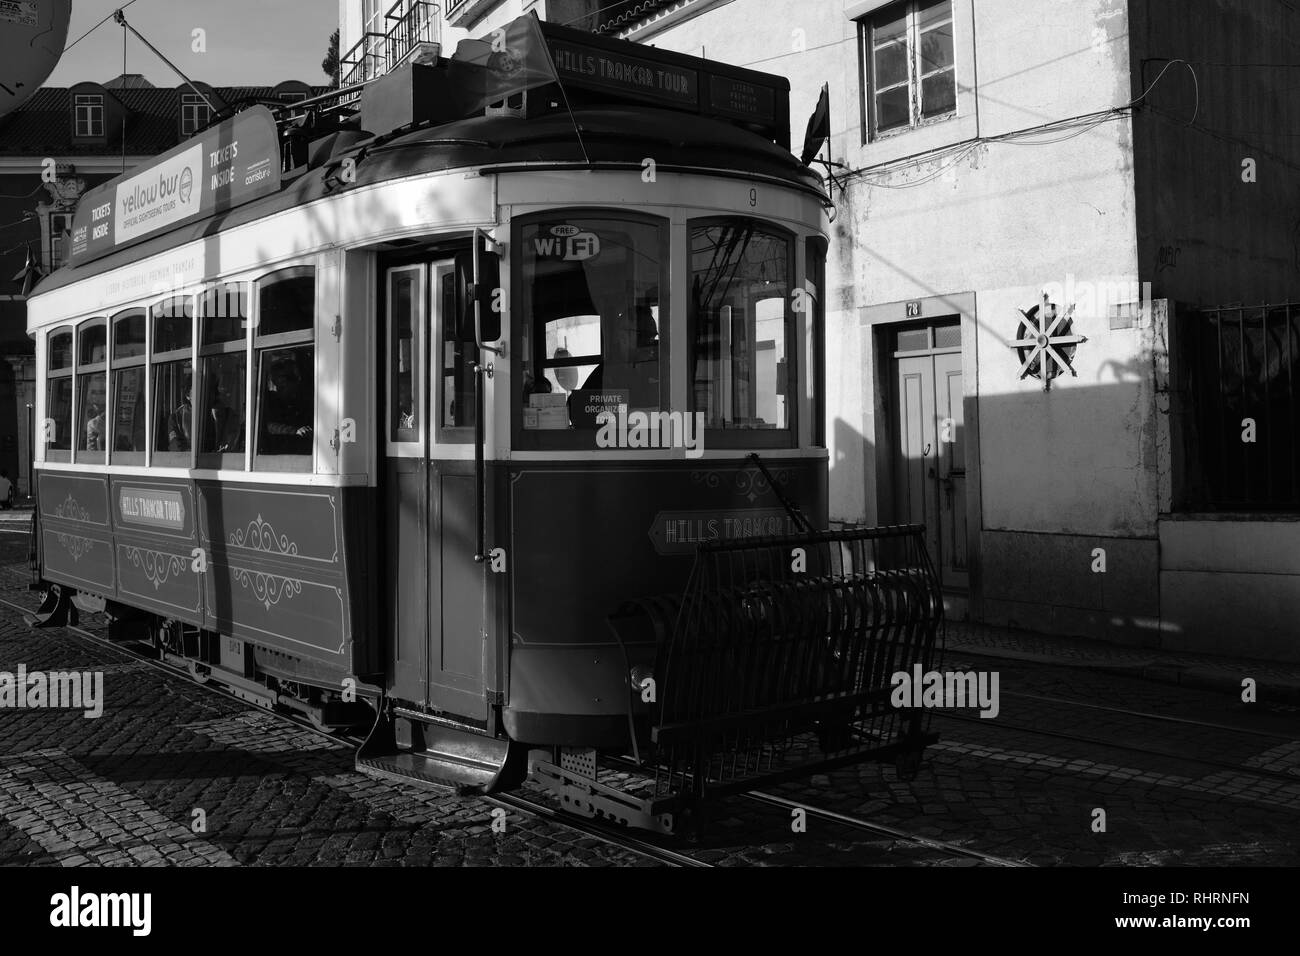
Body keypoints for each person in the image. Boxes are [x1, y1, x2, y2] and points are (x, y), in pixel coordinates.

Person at [261, 356, 312, 455]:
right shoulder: (270, 400)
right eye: (276, 383)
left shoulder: (305, 400)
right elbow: (268, 425)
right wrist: (294, 431)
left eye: (283, 383)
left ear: (295, 381)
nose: (278, 388)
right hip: (274, 452)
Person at [168, 378, 193, 451]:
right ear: (188, 395)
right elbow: (175, 445)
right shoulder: (176, 417)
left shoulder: (213, 414)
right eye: (196, 392)